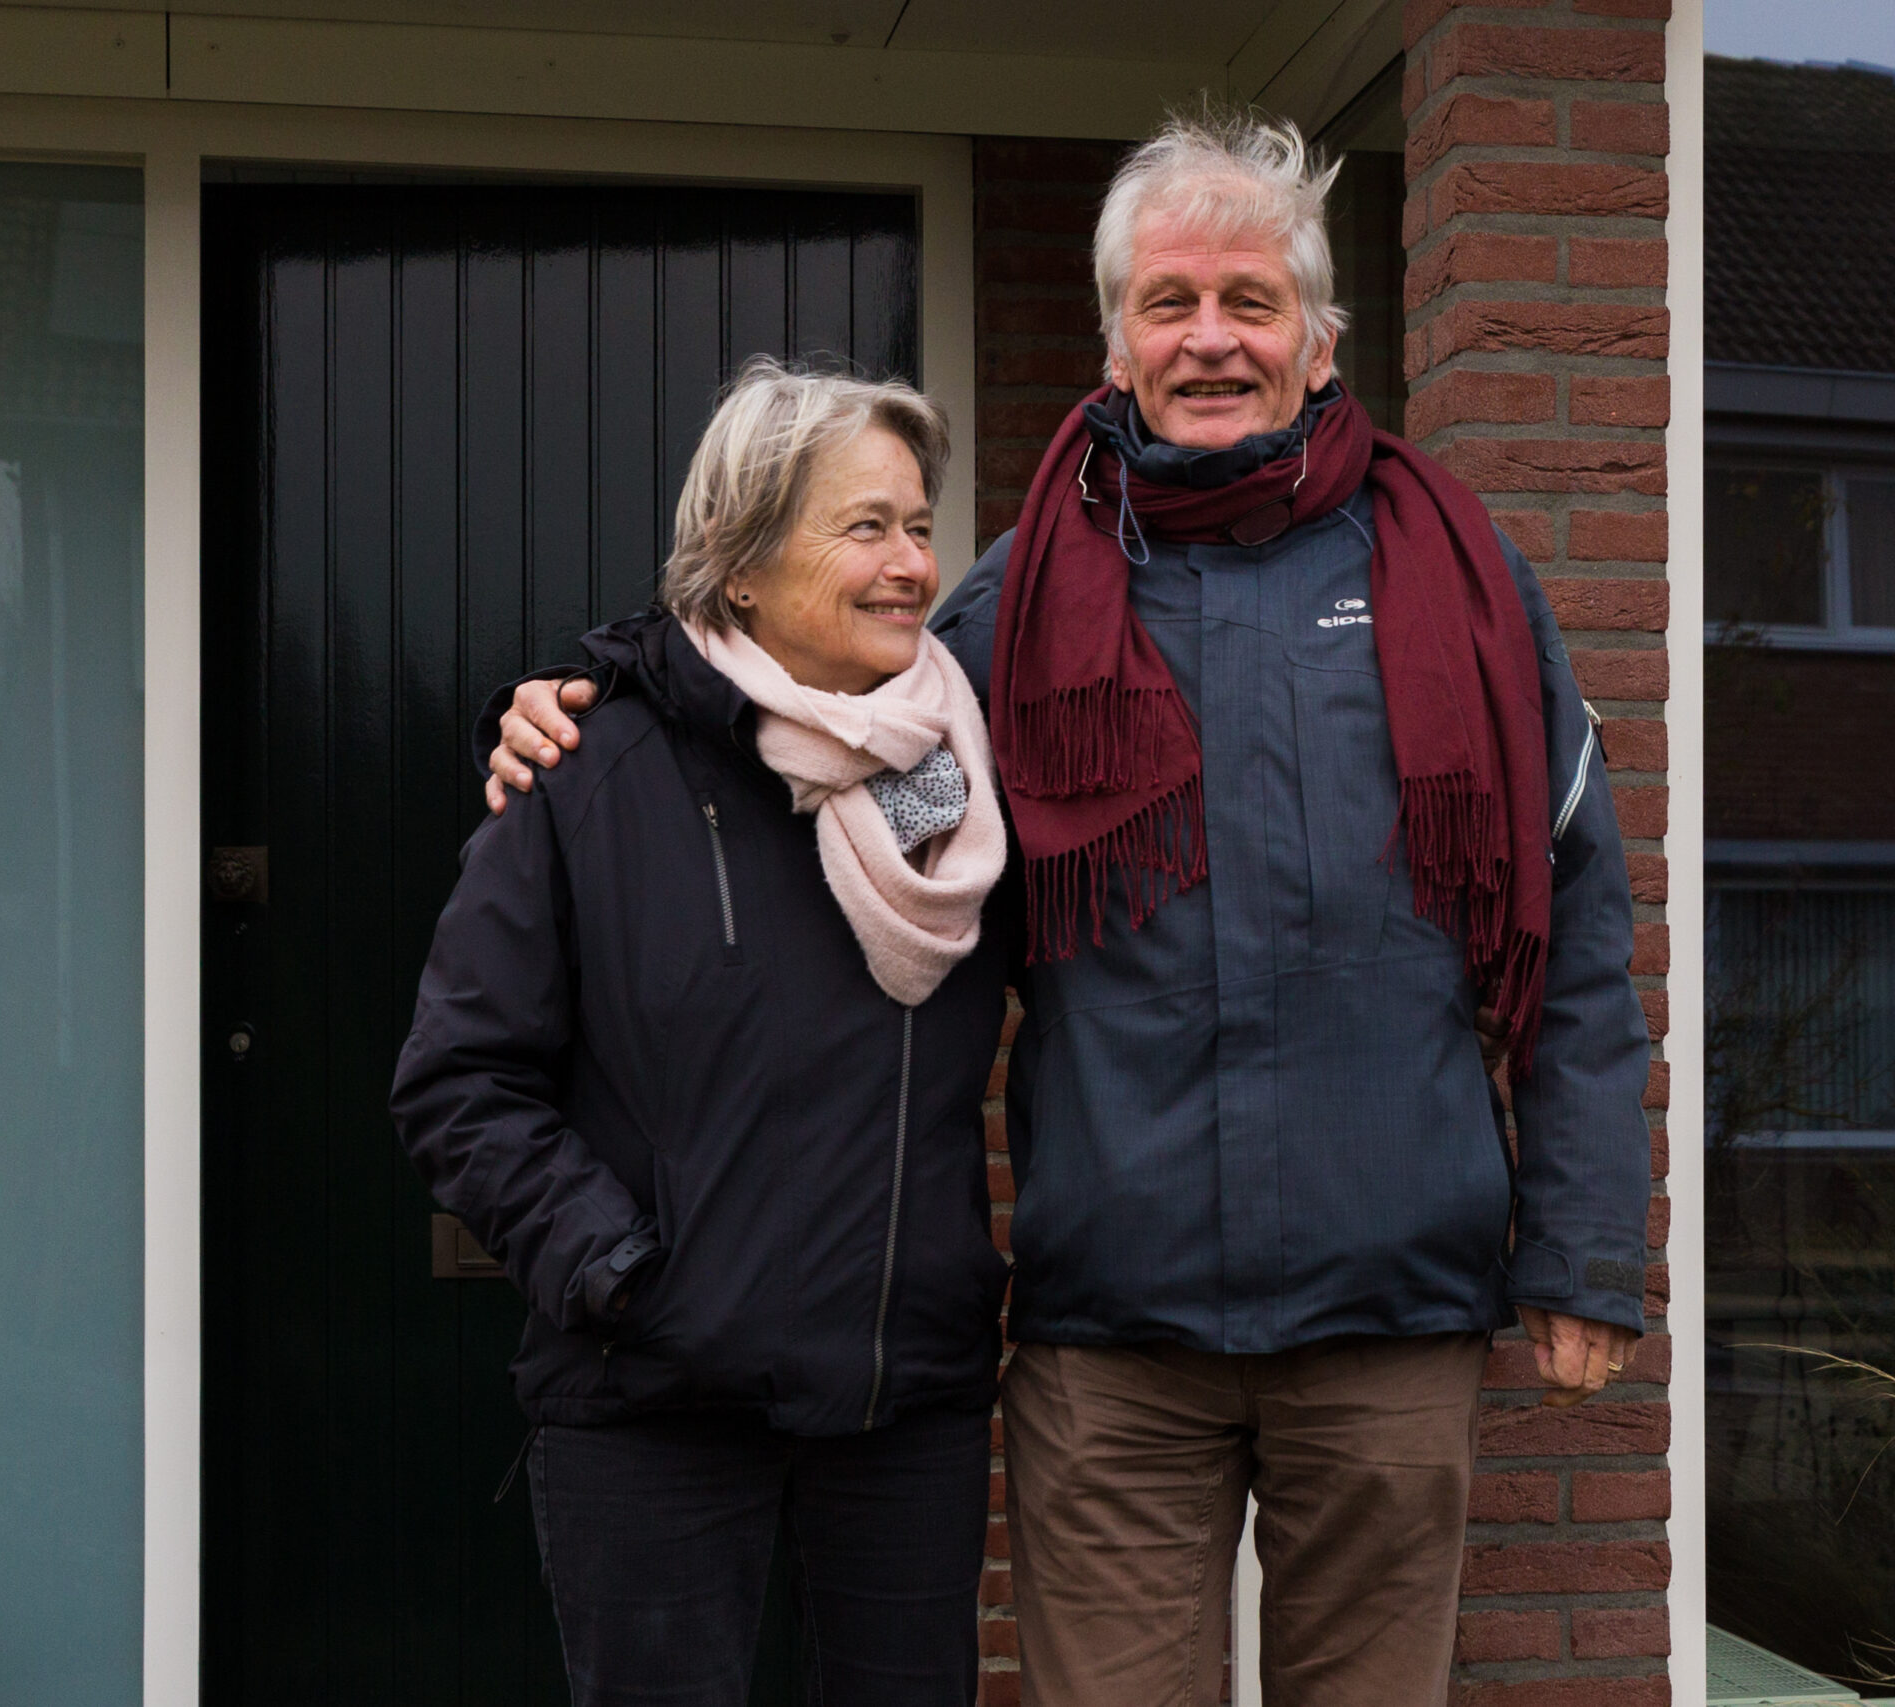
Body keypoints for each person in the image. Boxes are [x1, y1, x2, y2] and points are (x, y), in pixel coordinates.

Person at [486, 112, 1652, 1706]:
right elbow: (809, 742)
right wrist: (590, 703)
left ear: (1320, 340)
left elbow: (1578, 927)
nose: (1210, 337)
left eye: (1250, 301)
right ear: (1115, 341)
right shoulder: (1009, 610)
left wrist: (1581, 1244)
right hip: (1115, 1339)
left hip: (1391, 1314)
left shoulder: (1468, 589)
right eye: (1169, 303)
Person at [394, 362, 1014, 1707]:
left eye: (919, 527)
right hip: (654, 1404)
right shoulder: (589, 772)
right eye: (866, 527)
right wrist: (618, 1272)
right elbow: (460, 1079)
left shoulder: (961, 775)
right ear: (740, 567)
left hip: (903, 1405)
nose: (912, 564)